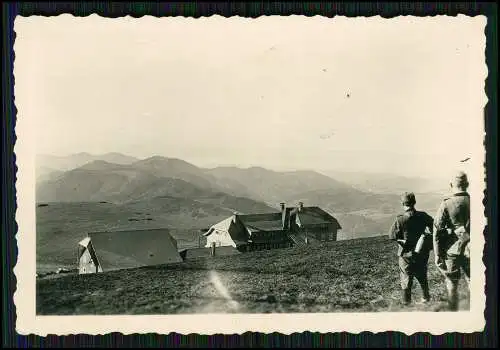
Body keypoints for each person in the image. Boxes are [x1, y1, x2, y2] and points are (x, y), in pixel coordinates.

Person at [433, 171, 470, 311]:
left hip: (452, 251)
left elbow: (437, 230)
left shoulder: (447, 204)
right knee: (473, 280)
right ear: (467, 184)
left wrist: (437, 254)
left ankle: (453, 312)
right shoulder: (479, 201)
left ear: (451, 185)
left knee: (452, 282)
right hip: (472, 250)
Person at [389, 192, 434, 306]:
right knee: (422, 274)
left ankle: (406, 302)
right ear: (414, 202)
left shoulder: (400, 220)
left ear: (403, 204)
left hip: (406, 254)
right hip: (421, 252)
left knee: (406, 277)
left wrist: (402, 241)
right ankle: (426, 298)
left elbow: (392, 236)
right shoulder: (423, 216)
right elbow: (434, 226)